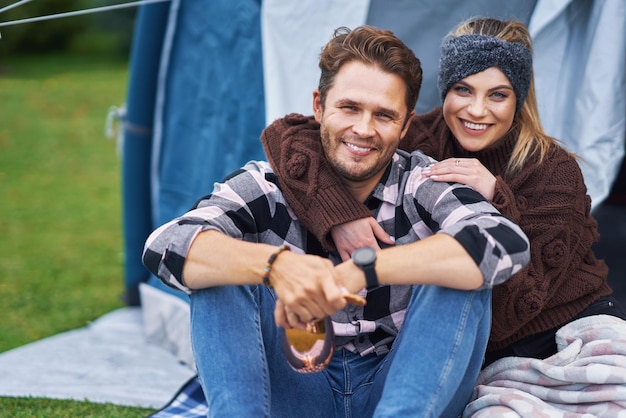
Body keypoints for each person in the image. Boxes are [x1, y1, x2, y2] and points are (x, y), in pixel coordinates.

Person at [143, 25, 530, 417]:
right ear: (319, 105)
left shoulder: (422, 182)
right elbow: (164, 245)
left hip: (402, 387)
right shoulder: (266, 185)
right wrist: (278, 267)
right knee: (216, 265)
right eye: (349, 108)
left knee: (463, 268)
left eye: (383, 115)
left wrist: (364, 271)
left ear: (405, 125)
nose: (363, 129)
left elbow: (505, 243)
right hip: (296, 385)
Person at [260, 17, 626, 369]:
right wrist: (339, 214)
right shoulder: (420, 136)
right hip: (475, 347)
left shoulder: (553, 170)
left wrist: (498, 199)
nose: (477, 110)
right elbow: (288, 134)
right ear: (445, 90)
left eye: (498, 95)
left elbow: (512, 307)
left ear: (519, 100)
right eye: (463, 90)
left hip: (567, 326)